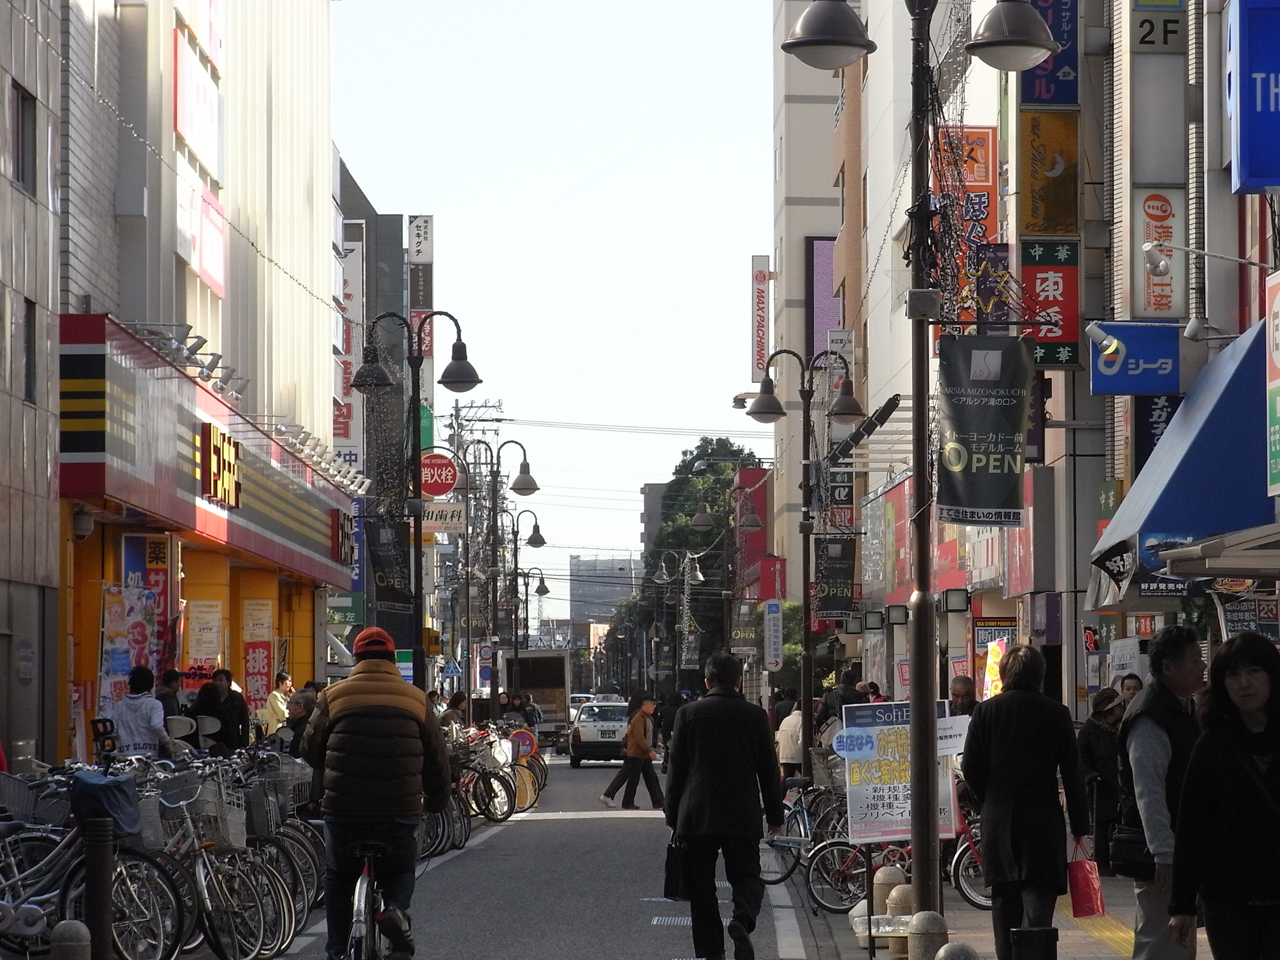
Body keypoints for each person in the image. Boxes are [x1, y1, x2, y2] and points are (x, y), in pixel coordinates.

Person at [303, 627, 451, 960]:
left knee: (339, 875)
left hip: (343, 809)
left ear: (356, 658)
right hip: (399, 807)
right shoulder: (416, 699)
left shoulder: (333, 695)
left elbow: (310, 750)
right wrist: (437, 801)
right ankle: (396, 910)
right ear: (392, 658)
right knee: (400, 868)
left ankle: (338, 949)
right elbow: (437, 760)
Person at [962, 644, 1089, 960]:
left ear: (1004, 675)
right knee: (1038, 902)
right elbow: (1073, 774)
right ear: (1040, 676)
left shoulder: (985, 711)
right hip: (1042, 820)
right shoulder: (1056, 713)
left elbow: (970, 768)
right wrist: (1080, 826)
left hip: (999, 820)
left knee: (1004, 900)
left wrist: (986, 801)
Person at [666, 652, 785, 960]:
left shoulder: (688, 714)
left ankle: (712, 952)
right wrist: (774, 813)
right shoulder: (755, 716)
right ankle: (741, 920)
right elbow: (768, 770)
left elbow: (676, 768)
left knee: (701, 886)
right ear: (738, 682)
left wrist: (672, 815)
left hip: (696, 814)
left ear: (707, 681)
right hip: (741, 812)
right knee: (747, 876)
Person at [1169, 632, 1280, 956]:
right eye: (1233, 674)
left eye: (1254, 671)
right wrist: (1182, 905)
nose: (1244, 683)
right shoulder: (1213, 746)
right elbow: (1192, 828)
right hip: (1228, 903)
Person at [1117, 625, 1203, 960]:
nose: (1202, 667)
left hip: (1177, 847)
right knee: (1160, 939)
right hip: (1159, 853)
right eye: (1195, 660)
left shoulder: (1181, 707)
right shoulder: (1151, 716)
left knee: (1177, 941)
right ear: (1168, 667)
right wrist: (1163, 851)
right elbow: (1148, 790)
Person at [1078, 687, 1125, 876]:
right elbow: (1081, 757)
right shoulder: (1090, 730)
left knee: (1118, 822)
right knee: (1101, 825)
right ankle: (1102, 863)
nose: (1122, 708)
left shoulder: (1120, 728)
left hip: (1119, 783)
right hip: (1100, 785)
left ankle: (1119, 860)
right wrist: (1090, 775)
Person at [601, 692, 664, 810]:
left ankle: (657, 801)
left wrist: (655, 744)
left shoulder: (647, 717)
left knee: (647, 778)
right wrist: (650, 750)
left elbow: (647, 734)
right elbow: (639, 736)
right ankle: (608, 795)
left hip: (641, 753)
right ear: (644, 704)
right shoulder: (638, 717)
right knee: (627, 776)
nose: (654, 707)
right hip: (636, 753)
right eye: (652, 704)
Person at [113, 666, 182, 759]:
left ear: (131, 684)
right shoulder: (154, 704)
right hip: (149, 756)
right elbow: (157, 726)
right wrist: (168, 744)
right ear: (150, 685)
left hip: (125, 755)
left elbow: (113, 730)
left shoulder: (119, 706)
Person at [192, 669, 251, 752]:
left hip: (232, 740)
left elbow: (244, 721)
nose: (217, 683)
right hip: (212, 741)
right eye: (215, 680)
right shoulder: (209, 698)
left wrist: (244, 743)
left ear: (228, 682)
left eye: (220, 680)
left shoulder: (237, 698)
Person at [285, 688, 317, 759]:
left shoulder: (301, 732)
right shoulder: (315, 725)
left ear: (300, 707)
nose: (287, 707)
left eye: (290, 703)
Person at [656, 690, 683, 773]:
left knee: (668, 748)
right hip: (679, 731)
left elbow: (658, 722)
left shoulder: (664, 709)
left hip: (666, 732)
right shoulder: (682, 709)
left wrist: (660, 728)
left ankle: (666, 764)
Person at [775, 707, 803, 779]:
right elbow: (802, 741)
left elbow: (778, 737)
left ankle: (782, 790)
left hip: (784, 754)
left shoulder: (785, 720)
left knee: (787, 778)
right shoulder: (802, 721)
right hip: (798, 756)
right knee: (806, 777)